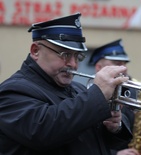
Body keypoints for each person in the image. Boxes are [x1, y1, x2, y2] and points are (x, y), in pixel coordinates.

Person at [0, 13, 133, 155]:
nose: (73, 64)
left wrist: (114, 126)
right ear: (35, 51)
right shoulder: (12, 91)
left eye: (77, 56)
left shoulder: (80, 90)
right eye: (65, 54)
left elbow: (100, 142)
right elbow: (46, 132)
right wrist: (97, 95)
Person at [89, 39, 141, 154]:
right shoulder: (89, 94)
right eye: (117, 63)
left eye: (124, 63)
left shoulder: (137, 90)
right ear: (99, 67)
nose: (124, 68)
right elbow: (87, 141)